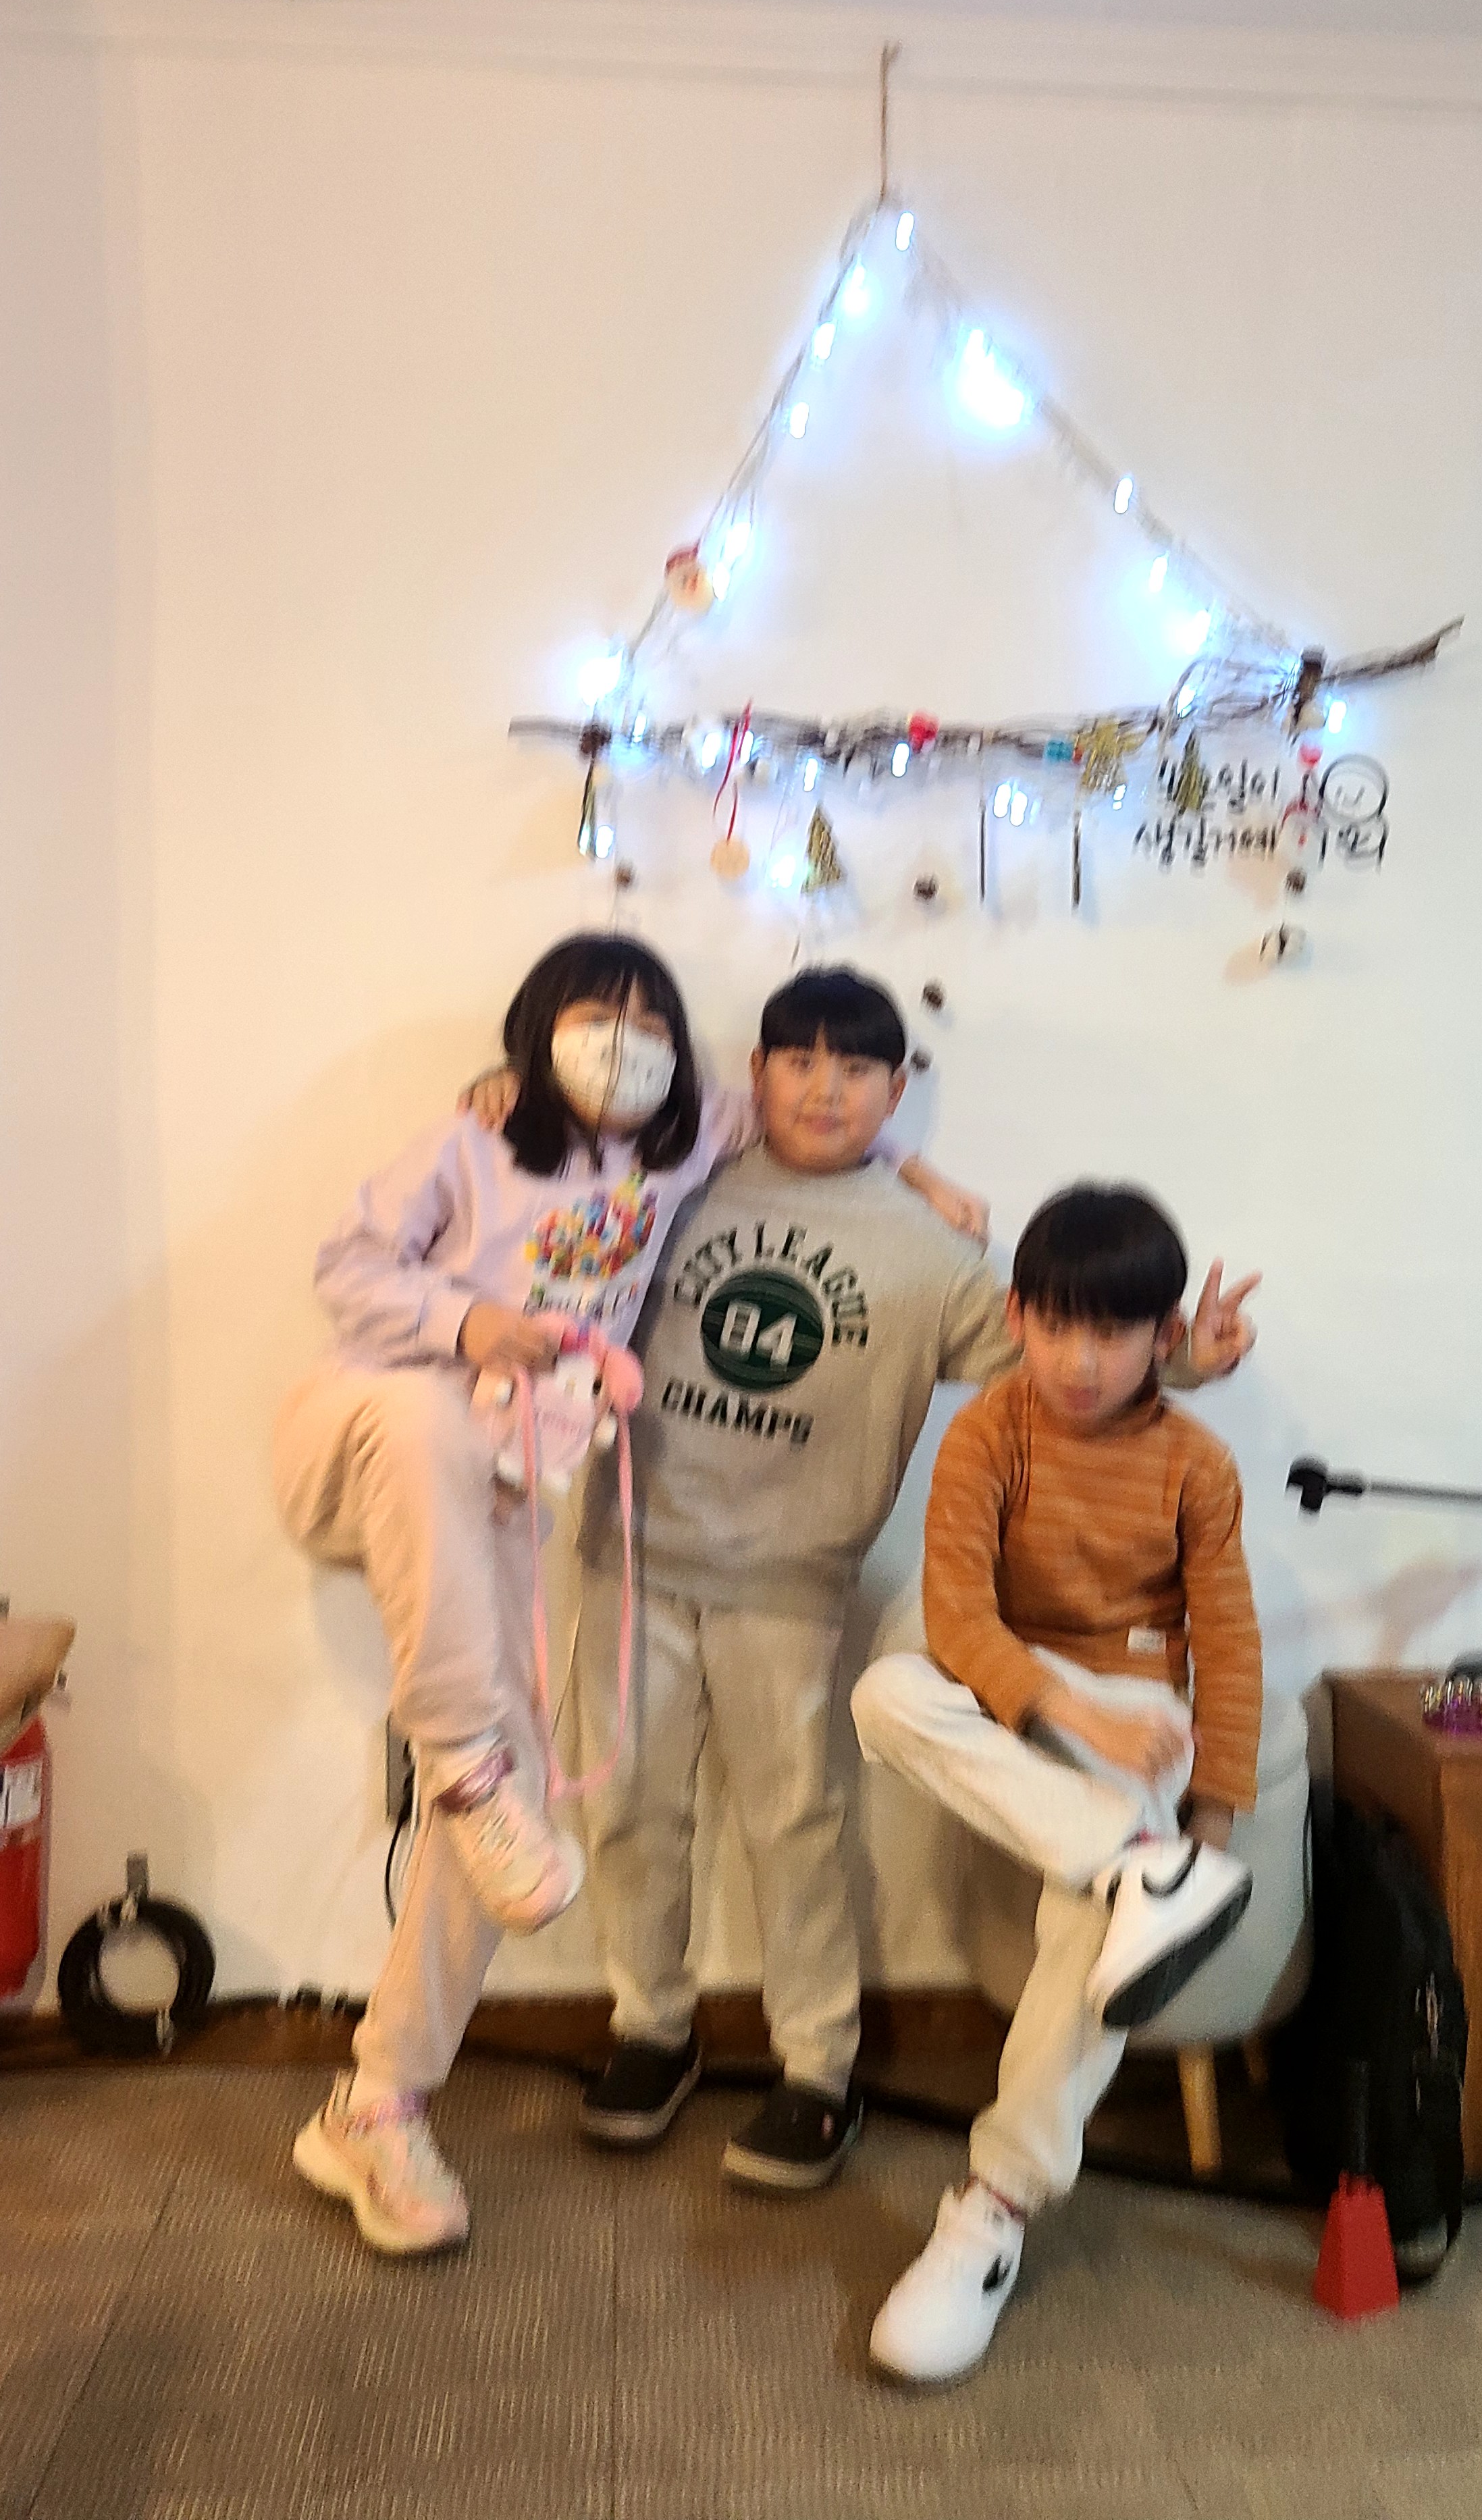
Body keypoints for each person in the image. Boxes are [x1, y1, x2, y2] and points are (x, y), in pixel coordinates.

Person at [272, 933, 974, 2258]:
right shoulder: (472, 1139)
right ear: (539, 1029)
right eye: (599, 1016)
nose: (627, 1041)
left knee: (518, 1813)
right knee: (435, 1483)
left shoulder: (684, 1144)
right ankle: (467, 1770)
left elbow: (815, 1106)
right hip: (373, 1435)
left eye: (652, 1022)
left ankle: (378, 2100)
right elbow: (348, 1269)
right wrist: (469, 1323)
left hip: (508, 1483)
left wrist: (918, 1168)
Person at [573, 975, 1257, 2194]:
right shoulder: (685, 1183)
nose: (823, 1089)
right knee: (628, 1804)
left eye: (856, 1070)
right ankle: (651, 2028)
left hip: (790, 1579)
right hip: (630, 1552)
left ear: (896, 1092)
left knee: (792, 1825)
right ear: (757, 1073)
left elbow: (1067, 1355)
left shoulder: (938, 1255)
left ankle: (817, 2069)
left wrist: (1191, 1360)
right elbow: (558, 1208)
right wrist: (506, 1097)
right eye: (798, 1062)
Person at [851, 1182, 1263, 2385]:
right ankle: (1140, 1864)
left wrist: (1212, 1824)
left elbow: (1228, 1646)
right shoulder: (990, 1430)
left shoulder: (1198, 1463)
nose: (1082, 1362)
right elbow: (957, 1615)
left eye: (1115, 1333)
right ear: (1018, 1317)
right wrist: (1065, 1709)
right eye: (1058, 1327)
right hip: (1022, 1684)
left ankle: (993, 2208)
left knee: (1093, 1927)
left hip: (1135, 1708)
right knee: (885, 1694)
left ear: (1162, 1336)